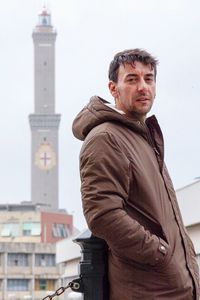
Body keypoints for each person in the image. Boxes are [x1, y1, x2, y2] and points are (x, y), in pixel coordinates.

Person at [72, 49, 200, 299]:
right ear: (113, 88)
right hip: (148, 290)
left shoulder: (142, 136)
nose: (143, 87)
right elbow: (103, 214)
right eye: (132, 79)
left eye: (149, 78)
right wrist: (161, 253)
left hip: (172, 289)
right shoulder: (106, 138)